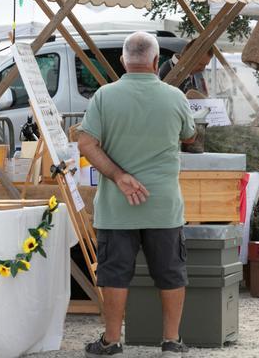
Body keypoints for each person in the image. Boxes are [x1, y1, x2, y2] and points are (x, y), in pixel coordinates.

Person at [78, 31, 197, 357]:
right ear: (157, 61)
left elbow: (86, 143)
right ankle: (171, 340)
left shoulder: (103, 97)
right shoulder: (175, 97)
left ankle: (112, 341)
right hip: (163, 204)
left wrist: (119, 176)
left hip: (117, 206)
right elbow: (190, 135)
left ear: (123, 61)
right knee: (171, 272)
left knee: (114, 273)